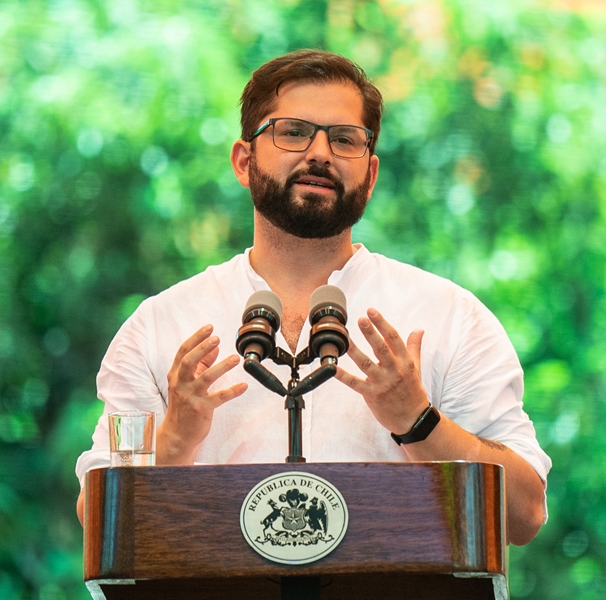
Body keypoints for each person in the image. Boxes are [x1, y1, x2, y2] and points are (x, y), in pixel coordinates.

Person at [75, 49, 551, 545]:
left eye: (345, 139)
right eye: (294, 132)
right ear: (244, 160)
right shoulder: (161, 327)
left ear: (370, 175)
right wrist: (172, 442)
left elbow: (524, 513)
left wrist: (419, 420)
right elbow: (101, 529)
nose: (320, 153)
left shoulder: (450, 318)